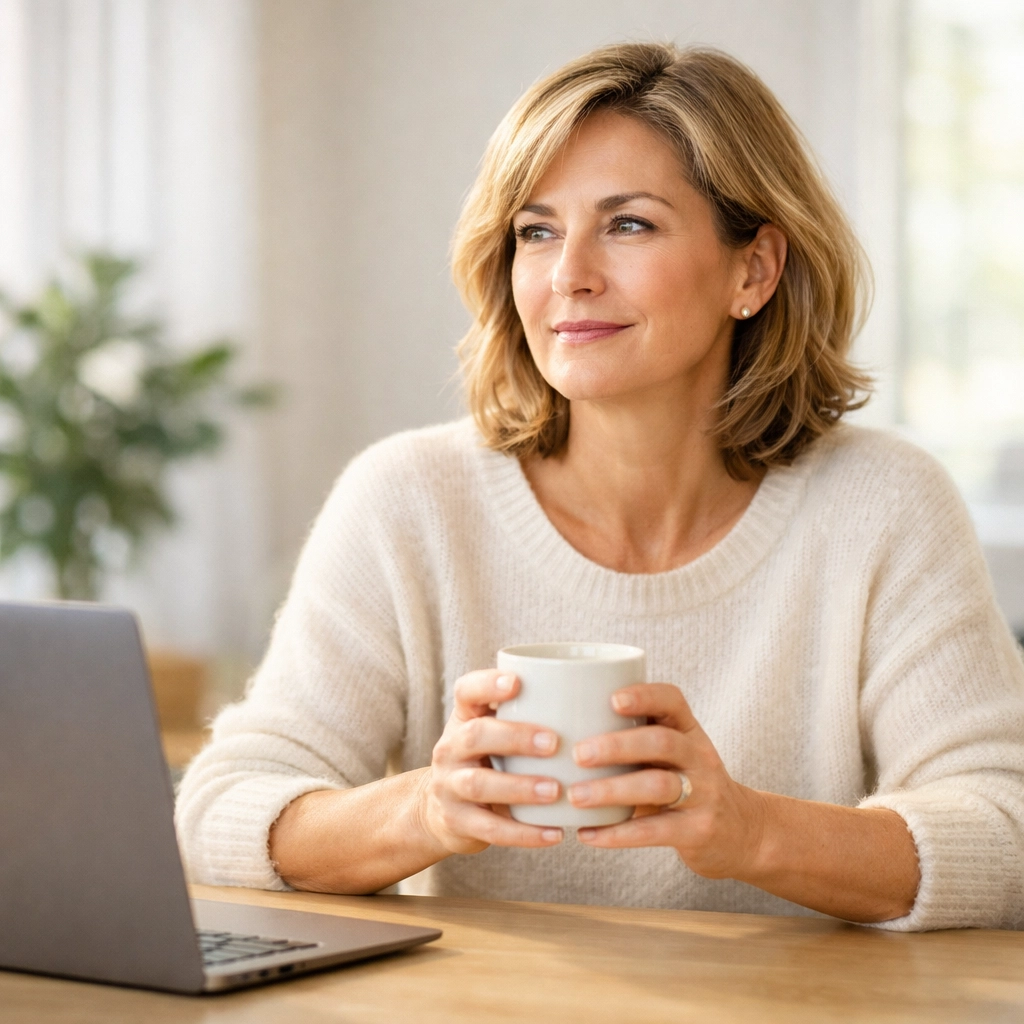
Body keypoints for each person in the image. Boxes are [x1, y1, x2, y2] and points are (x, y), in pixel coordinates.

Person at [176, 42, 1024, 930]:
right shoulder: (408, 500)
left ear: (754, 269)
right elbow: (222, 813)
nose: (568, 275)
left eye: (629, 225)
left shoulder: (884, 505)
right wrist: (425, 810)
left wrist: (750, 831)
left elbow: (1004, 833)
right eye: (536, 231)